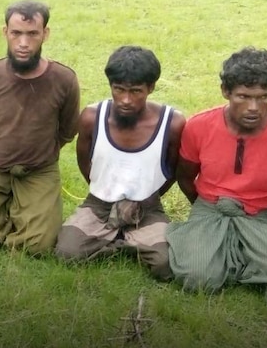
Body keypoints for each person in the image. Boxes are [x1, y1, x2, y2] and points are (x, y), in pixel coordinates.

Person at [166, 47, 267, 303]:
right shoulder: (199, 126)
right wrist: (204, 208)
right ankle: (219, 249)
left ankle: (238, 255)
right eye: (243, 96)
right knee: (197, 279)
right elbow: (184, 177)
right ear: (226, 92)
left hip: (261, 214)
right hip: (211, 209)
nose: (253, 107)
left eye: (264, 97)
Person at [0, 0, 80, 254]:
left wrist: (41, 151)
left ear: (45, 34)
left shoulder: (64, 79)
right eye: (16, 34)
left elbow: (68, 130)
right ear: (6, 32)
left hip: (40, 170)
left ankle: (20, 213)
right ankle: (11, 212)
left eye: (32, 34)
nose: (23, 43)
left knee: (39, 244)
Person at [55, 46, 185, 279]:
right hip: (99, 204)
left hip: (146, 208)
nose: (126, 100)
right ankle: (125, 241)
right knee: (66, 252)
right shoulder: (92, 117)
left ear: (151, 88)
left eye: (136, 91)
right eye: (119, 90)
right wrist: (104, 191)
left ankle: (118, 239)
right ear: (111, 86)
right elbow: (85, 163)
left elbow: (172, 170)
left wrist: (148, 199)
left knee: (166, 265)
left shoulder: (172, 123)